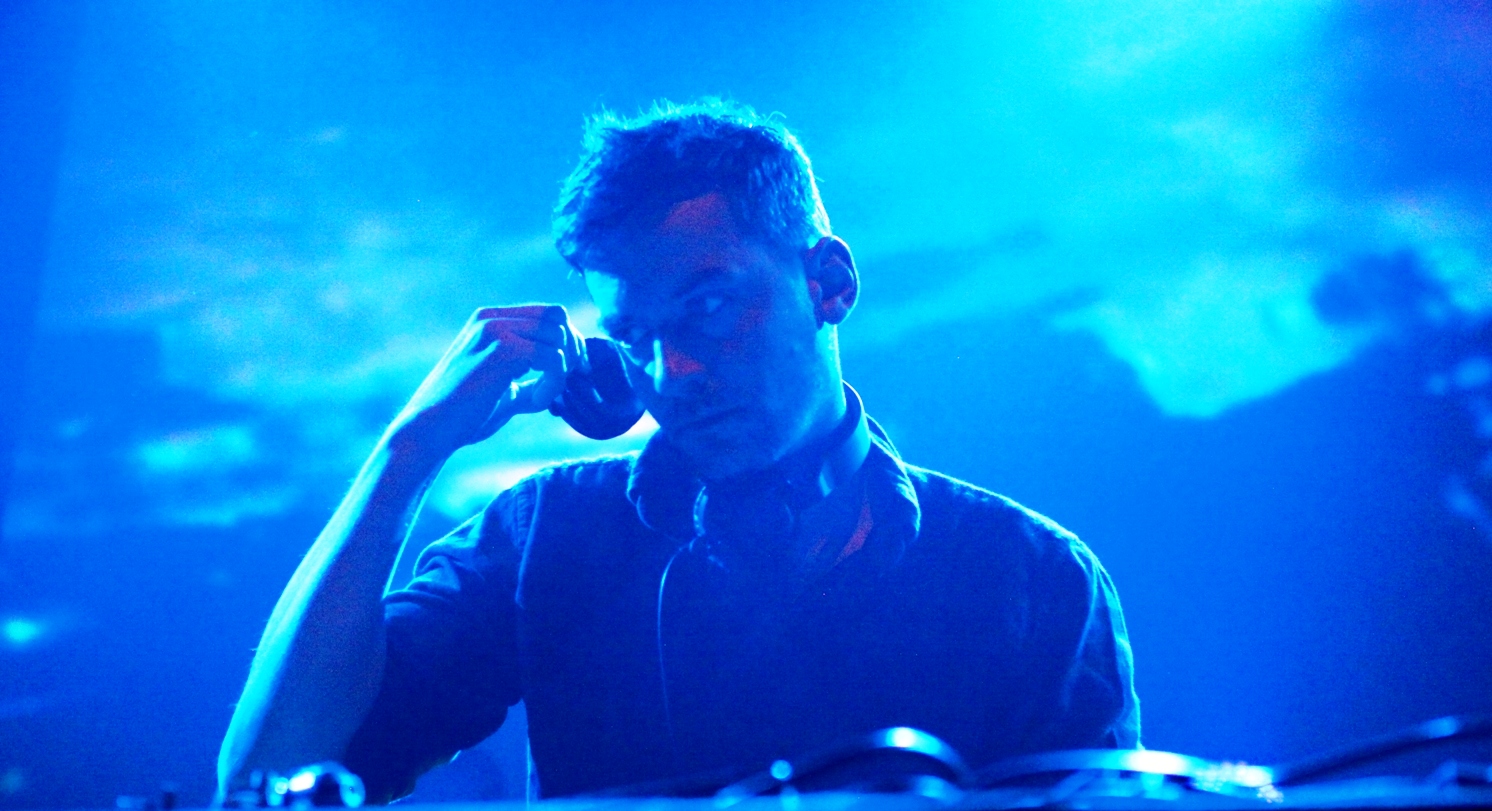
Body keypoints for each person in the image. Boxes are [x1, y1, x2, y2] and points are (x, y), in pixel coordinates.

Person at [216, 100, 1140, 803]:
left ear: (828, 282)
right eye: (636, 338)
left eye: (708, 306)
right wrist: (408, 453)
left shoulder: (1035, 578)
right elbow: (268, 779)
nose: (674, 373)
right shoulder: (545, 536)